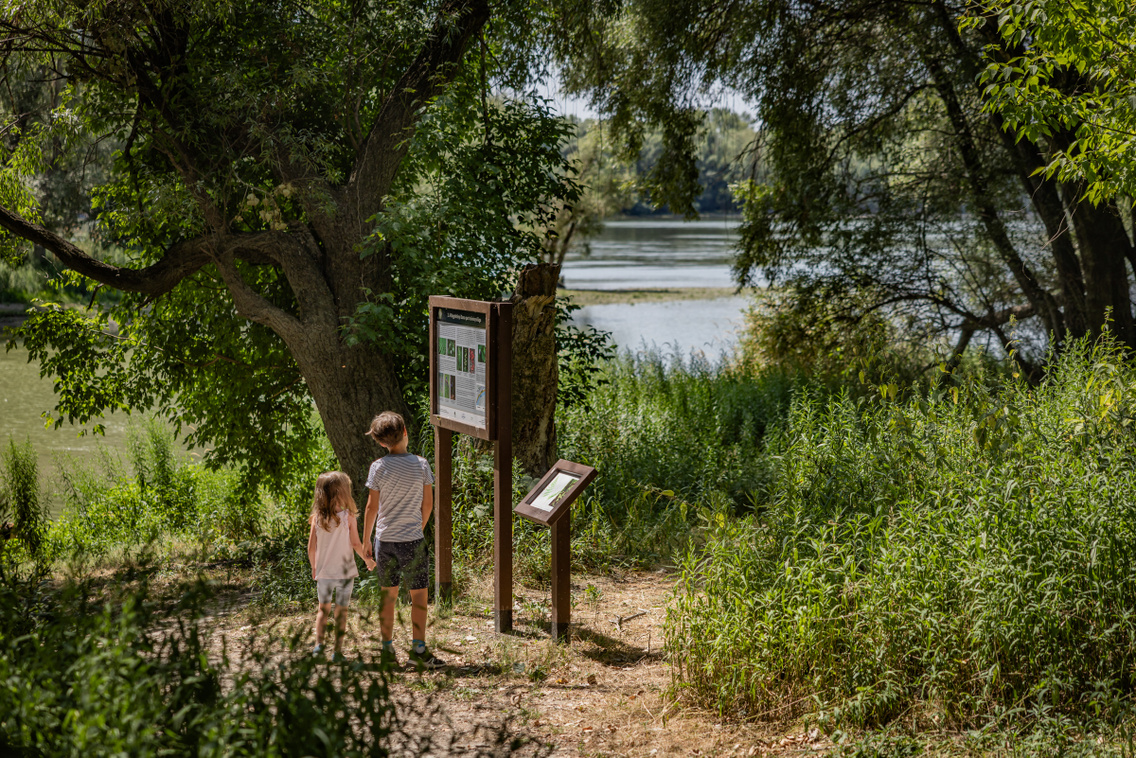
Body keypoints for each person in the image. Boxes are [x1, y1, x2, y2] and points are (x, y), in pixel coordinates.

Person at [363, 411, 445, 669]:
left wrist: (366, 541)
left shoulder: (378, 467)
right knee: (419, 597)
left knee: (388, 597)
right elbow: (428, 504)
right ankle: (418, 650)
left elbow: (371, 507)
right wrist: (416, 529)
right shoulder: (421, 464)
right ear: (406, 432)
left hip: (384, 540)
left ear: (380, 442)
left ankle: (387, 652)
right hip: (413, 540)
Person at [308, 471, 375, 659]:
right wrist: (368, 560)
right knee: (341, 611)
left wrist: (315, 567)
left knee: (323, 609)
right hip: (345, 574)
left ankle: (318, 647)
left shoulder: (317, 519)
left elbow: (311, 548)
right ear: (342, 493)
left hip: (324, 573)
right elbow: (355, 544)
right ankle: (337, 651)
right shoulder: (348, 517)